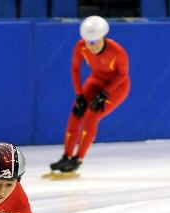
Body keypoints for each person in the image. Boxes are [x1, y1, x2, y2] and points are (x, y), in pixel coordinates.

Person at [50, 16, 130, 174]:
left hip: (117, 87)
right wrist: (79, 95)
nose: (91, 46)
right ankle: (66, 156)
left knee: (91, 116)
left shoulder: (118, 52)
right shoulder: (80, 47)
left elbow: (122, 76)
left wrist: (105, 93)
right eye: (88, 42)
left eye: (95, 42)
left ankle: (77, 159)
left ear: (103, 38)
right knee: (76, 114)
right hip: (95, 81)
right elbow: (75, 69)